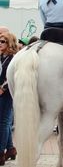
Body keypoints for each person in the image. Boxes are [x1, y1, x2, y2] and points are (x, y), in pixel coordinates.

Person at [0, 32, 18, 165]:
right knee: (4, 121)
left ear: (9, 43)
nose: (0, 44)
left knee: (4, 122)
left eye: (3, 41)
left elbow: (13, 76)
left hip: (7, 93)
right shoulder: (1, 57)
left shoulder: (13, 58)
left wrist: (3, 88)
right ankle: (10, 149)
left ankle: (1, 152)